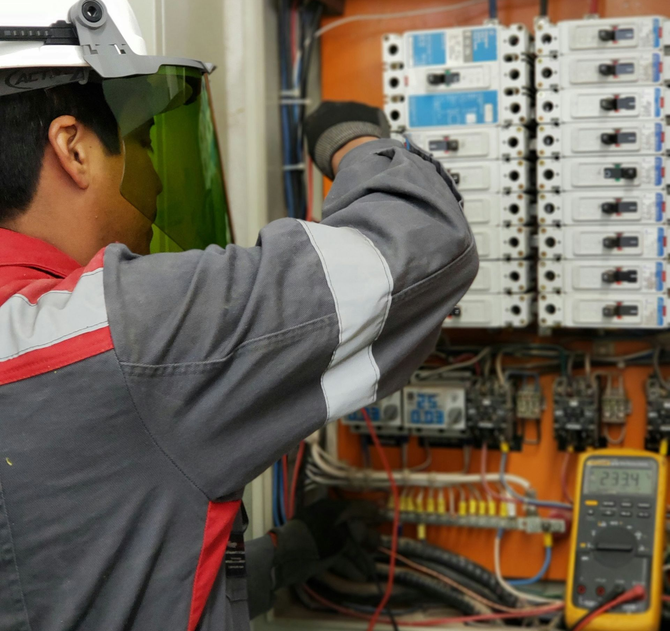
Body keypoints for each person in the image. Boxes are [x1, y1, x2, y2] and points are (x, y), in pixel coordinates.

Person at [0, 1, 478, 630]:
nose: (156, 179)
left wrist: (290, 553)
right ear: (74, 148)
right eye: (143, 142)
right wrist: (354, 140)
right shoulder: (126, 336)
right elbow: (423, 242)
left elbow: (86, 580)